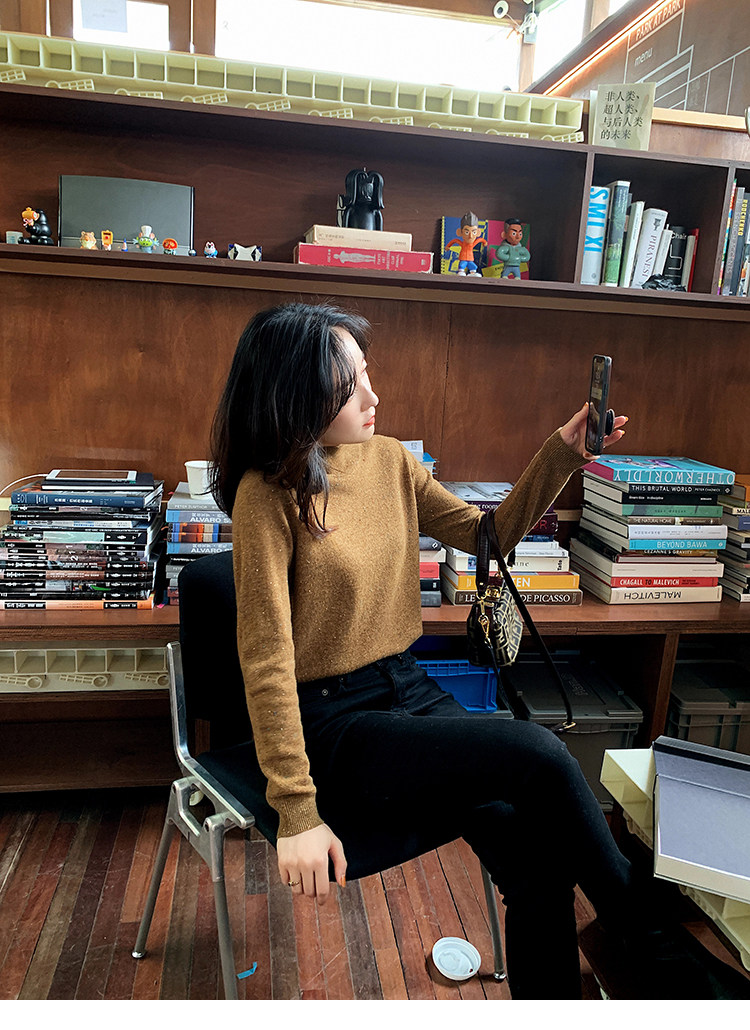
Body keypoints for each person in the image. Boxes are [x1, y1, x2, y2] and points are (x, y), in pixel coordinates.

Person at [210, 301, 750, 1001]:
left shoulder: (391, 460)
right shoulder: (267, 495)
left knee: (535, 858)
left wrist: (564, 451)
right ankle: (653, 943)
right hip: (333, 726)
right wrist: (297, 812)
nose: (373, 396)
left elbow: (486, 535)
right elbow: (266, 662)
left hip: (405, 689)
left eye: (368, 373)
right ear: (297, 397)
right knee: (537, 752)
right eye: (349, 385)